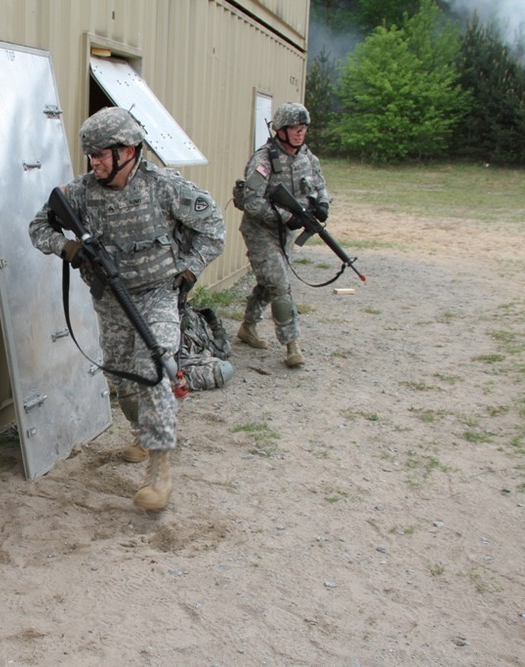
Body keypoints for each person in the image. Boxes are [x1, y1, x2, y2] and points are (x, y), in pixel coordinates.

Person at [29, 106, 225, 510]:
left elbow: (213, 228)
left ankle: (159, 467)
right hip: (110, 299)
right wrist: (67, 247)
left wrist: (189, 271)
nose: (94, 162)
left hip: (157, 293)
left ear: (129, 150)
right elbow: (38, 228)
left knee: (152, 368)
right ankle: (140, 430)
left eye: (101, 154)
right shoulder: (80, 192)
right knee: (121, 379)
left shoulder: (164, 187)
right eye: (91, 155)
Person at [235, 102, 331, 367]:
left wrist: (322, 205)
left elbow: (321, 187)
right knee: (280, 284)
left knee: (269, 283)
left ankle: (247, 327)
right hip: (260, 232)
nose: (299, 134)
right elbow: (252, 202)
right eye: (294, 129)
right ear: (280, 130)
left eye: (303, 128)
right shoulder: (263, 160)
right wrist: (289, 216)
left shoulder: (308, 158)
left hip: (285, 234)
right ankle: (292, 345)